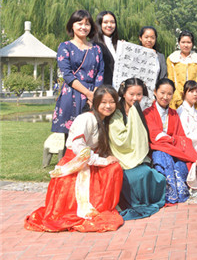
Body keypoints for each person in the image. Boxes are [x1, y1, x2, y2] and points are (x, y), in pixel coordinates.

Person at [25, 86, 123, 232]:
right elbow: (79, 148)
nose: (108, 106)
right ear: (95, 102)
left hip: (89, 162)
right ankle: (97, 206)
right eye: (103, 102)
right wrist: (102, 161)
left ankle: (104, 205)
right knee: (112, 167)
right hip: (75, 165)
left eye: (112, 102)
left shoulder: (104, 120)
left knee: (114, 168)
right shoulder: (86, 119)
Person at [109, 78, 166, 220]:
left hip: (139, 157)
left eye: (139, 94)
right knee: (136, 175)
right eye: (131, 94)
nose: (135, 98)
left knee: (154, 175)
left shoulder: (139, 110)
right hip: (121, 157)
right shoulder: (116, 112)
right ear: (123, 94)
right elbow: (119, 139)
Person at [143, 78, 197, 204]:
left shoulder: (173, 113)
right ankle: (168, 195)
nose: (165, 97)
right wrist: (172, 140)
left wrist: (172, 141)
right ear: (155, 92)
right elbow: (154, 136)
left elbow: (181, 136)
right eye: (162, 93)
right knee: (162, 158)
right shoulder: (147, 113)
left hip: (173, 149)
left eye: (169, 94)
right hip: (157, 149)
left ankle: (180, 193)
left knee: (180, 165)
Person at [52, 10, 104, 136]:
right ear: (72, 25)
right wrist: (88, 93)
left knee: (93, 134)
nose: (83, 27)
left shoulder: (96, 49)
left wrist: (94, 95)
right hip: (72, 94)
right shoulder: (65, 47)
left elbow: (100, 73)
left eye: (87, 24)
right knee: (71, 137)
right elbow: (67, 74)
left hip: (93, 96)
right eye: (79, 23)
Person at [167, 31, 197, 115]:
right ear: (179, 43)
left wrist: (196, 93)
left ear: (192, 44)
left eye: (188, 42)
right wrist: (178, 94)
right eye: (183, 42)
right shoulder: (172, 59)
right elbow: (170, 78)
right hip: (177, 97)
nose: (186, 45)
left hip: (195, 97)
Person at [94, 11, 119, 87]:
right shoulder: (93, 45)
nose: (109, 25)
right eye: (105, 22)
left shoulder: (118, 44)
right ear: (99, 24)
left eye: (112, 22)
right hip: (102, 89)